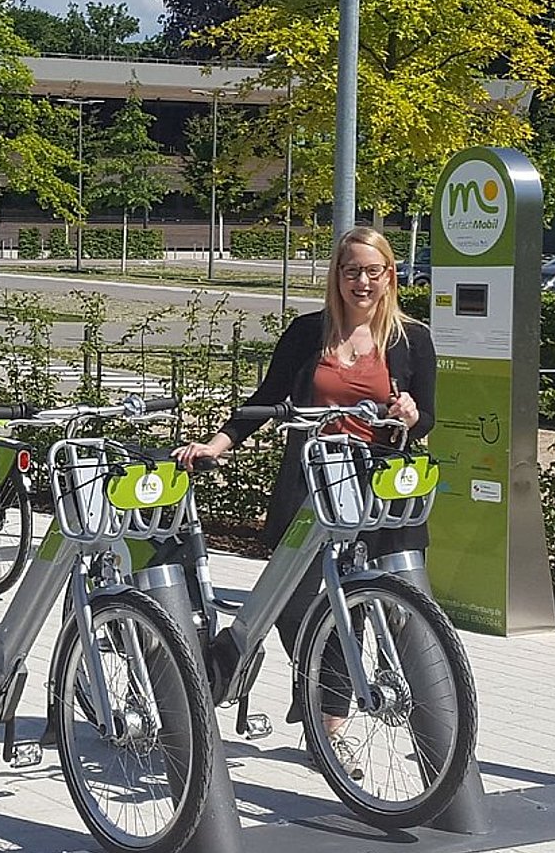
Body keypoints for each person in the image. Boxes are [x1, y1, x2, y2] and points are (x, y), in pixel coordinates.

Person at [172, 225, 435, 766]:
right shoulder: (308, 332)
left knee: (373, 606)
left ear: (390, 276)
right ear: (336, 276)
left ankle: (329, 728)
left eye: (372, 271)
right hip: (314, 480)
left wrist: (410, 417)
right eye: (350, 270)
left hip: (378, 486)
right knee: (297, 605)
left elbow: (427, 415)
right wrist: (218, 443)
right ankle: (320, 696)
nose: (361, 281)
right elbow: (267, 397)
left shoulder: (412, 338)